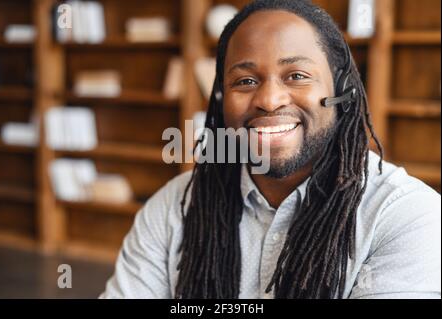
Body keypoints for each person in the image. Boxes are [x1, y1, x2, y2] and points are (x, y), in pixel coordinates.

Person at [100, 0, 441, 299]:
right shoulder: (173, 207)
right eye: (245, 81)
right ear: (220, 100)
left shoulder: (407, 217)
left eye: (296, 75)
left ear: (341, 91)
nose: (268, 100)